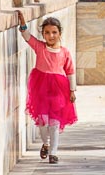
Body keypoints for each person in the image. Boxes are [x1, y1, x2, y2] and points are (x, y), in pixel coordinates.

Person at [15, 10, 77, 164]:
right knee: (43, 122)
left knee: (54, 122)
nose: (51, 36)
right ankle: (46, 143)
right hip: (41, 88)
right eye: (47, 32)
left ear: (60, 33)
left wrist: (72, 90)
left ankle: (53, 153)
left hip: (58, 89)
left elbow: (70, 71)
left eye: (54, 32)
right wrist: (23, 24)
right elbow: (27, 37)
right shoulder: (40, 48)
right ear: (43, 34)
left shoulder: (64, 52)